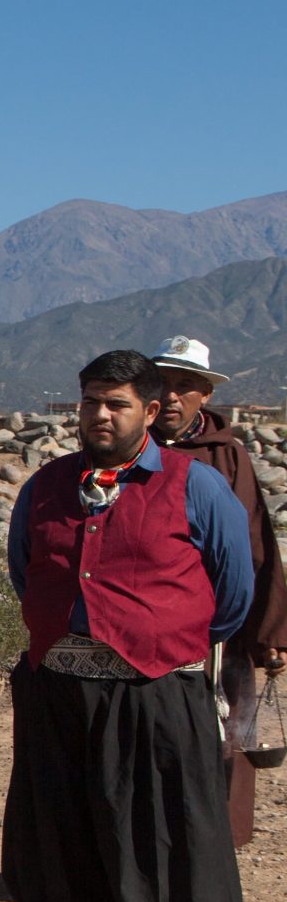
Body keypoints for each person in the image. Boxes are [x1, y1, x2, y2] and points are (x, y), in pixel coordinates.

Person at [5, 349, 252, 902]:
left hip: (155, 694)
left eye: (115, 404)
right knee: (80, 835)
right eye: (90, 402)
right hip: (63, 691)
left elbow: (230, 593)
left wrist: (157, 639)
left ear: (151, 411)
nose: (99, 416)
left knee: (169, 843)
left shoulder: (195, 487)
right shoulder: (48, 487)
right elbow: (27, 569)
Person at [147, 335, 287, 844]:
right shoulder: (126, 448)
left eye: (187, 386)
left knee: (223, 733)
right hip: (144, 621)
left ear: (206, 394)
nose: (174, 395)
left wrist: (270, 629)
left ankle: (212, 846)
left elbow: (256, 541)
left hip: (217, 625)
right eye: (164, 383)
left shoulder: (227, 457)